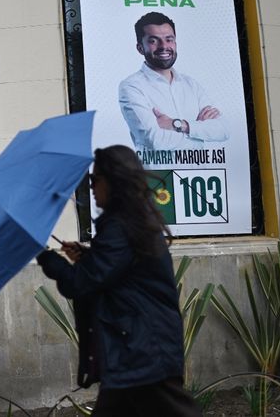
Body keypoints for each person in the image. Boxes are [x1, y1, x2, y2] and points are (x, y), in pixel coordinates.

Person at [36, 145, 201, 417]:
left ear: (114, 182)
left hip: (141, 352)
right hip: (137, 351)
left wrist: (45, 256)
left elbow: (80, 283)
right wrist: (88, 256)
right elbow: (119, 272)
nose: (90, 186)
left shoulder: (120, 227)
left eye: (95, 179)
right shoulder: (130, 223)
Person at [119, 11, 229, 151]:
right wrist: (199, 129)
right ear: (140, 48)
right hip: (158, 173)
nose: (164, 46)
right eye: (153, 41)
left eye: (169, 39)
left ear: (175, 43)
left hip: (199, 172)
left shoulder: (191, 85)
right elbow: (155, 140)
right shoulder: (131, 87)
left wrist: (179, 125)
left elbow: (223, 130)